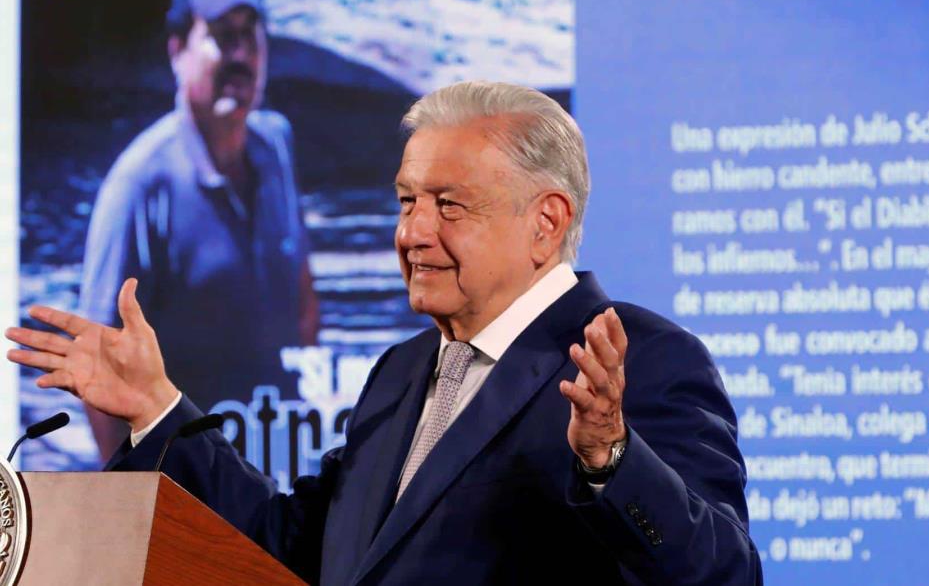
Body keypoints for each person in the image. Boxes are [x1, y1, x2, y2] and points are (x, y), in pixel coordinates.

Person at [8, 82, 762, 585]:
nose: (411, 232)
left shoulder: (645, 361)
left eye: (448, 204)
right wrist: (158, 408)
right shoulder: (401, 373)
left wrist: (611, 459)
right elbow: (291, 542)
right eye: (406, 200)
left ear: (547, 222)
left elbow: (725, 573)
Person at [78, 0, 319, 457]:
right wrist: (137, 497)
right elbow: (97, 366)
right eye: (220, 35)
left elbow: (302, 298)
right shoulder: (140, 186)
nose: (239, 55)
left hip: (272, 465)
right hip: (188, 488)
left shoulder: (275, 148)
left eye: (249, 35)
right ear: (177, 50)